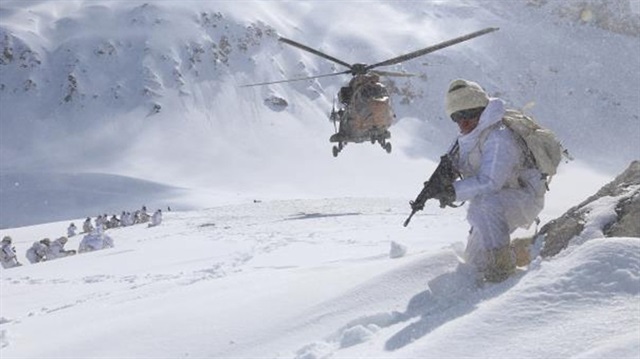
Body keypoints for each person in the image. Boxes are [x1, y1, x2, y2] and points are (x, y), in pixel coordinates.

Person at [437, 79, 547, 283]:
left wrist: (452, 191)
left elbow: (490, 182)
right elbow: (453, 164)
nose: (462, 123)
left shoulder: (499, 137)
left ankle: (502, 268)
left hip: (523, 197)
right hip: (496, 200)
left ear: (479, 111)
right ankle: (525, 250)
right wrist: (440, 181)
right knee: (473, 263)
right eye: (456, 118)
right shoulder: (466, 138)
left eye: (466, 116)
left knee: (484, 205)